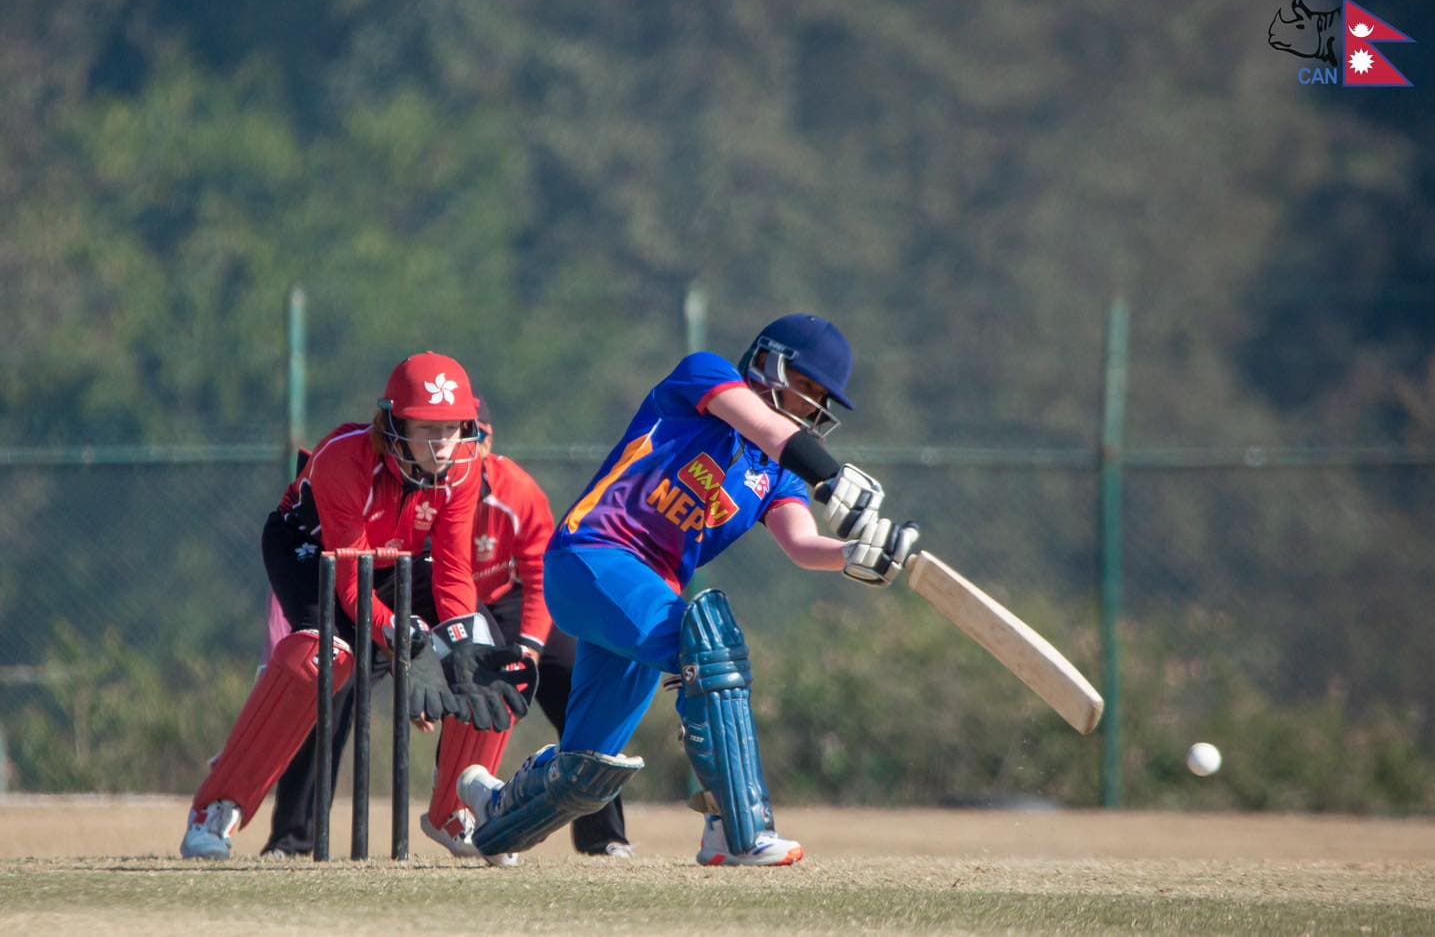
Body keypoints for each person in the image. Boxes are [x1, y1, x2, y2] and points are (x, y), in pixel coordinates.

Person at [455, 313, 920, 867]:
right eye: (809, 387)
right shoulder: (705, 377)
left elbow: (800, 542)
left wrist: (852, 555)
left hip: (644, 594)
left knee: (586, 770)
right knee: (709, 647)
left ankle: (491, 811)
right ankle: (734, 827)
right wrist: (832, 476)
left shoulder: (778, 473)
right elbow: (772, 431)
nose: (815, 406)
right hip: (593, 557)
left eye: (824, 398)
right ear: (770, 363)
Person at [181, 352, 531, 860]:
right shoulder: (345, 459)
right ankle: (216, 809)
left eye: (453, 428)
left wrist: (454, 647)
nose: (443, 444)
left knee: (484, 650)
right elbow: (350, 587)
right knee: (318, 662)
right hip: (312, 550)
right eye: (426, 429)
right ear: (393, 424)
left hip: (400, 558)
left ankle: (457, 811)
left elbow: (454, 569)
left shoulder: (462, 466)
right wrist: (405, 639)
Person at [258, 396, 632, 860]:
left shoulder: (517, 492)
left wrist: (528, 652)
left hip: (508, 601)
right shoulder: (420, 484)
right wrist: (418, 666)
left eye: (463, 435)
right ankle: (293, 837)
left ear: (483, 440)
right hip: (428, 597)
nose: (450, 449)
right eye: (435, 435)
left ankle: (601, 835)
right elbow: (406, 577)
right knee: (335, 683)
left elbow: (540, 576)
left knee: (572, 684)